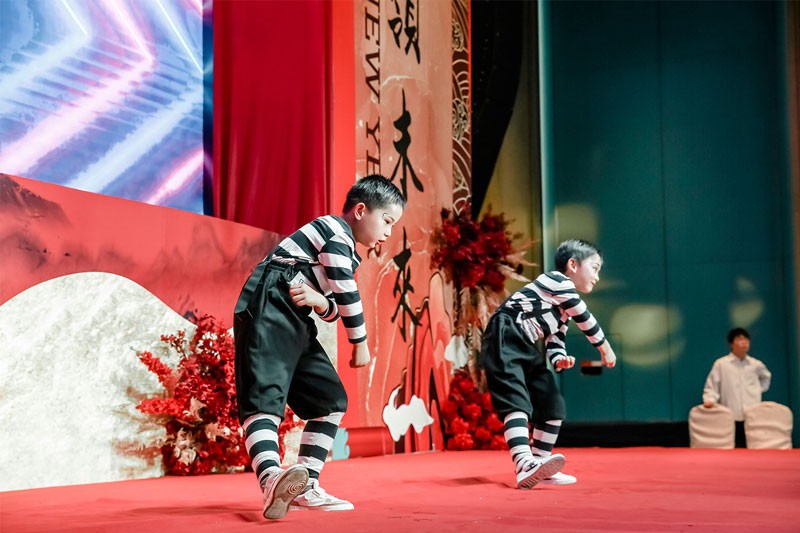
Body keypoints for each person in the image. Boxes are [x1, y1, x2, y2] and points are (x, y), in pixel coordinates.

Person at [233, 175, 405, 519]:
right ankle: (271, 479)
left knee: (330, 401)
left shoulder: (346, 253)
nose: (388, 233)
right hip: (268, 303)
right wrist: (359, 343)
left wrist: (318, 300)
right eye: (387, 221)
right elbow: (347, 295)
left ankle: (304, 486)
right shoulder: (334, 230)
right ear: (361, 210)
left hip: (295, 317)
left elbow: (331, 307)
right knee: (264, 398)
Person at [479, 239, 617, 489]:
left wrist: (559, 359)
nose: (597, 277)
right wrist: (604, 347)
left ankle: (540, 463)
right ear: (573, 265)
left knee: (552, 402)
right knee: (516, 399)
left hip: (523, 344)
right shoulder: (557, 281)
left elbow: (555, 342)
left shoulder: (563, 310)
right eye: (595, 268)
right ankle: (524, 464)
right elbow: (584, 316)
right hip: (504, 333)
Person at [702, 327, 772, 448]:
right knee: (732, 447)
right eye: (740, 339)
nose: (744, 343)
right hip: (731, 413)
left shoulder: (755, 364)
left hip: (752, 413)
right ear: (731, 344)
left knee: (753, 446)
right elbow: (712, 384)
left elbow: (766, 377)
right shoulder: (721, 364)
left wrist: (757, 390)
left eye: (746, 340)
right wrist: (710, 399)